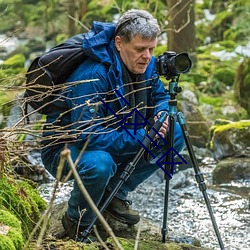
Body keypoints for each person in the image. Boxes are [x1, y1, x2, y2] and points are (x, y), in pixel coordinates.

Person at [41, 9, 185, 241]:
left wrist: (161, 114)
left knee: (175, 132)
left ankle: (115, 193)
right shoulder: (92, 75)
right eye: (140, 49)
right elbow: (87, 136)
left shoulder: (145, 64)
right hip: (66, 150)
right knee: (100, 164)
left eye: (152, 49)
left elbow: (159, 96)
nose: (147, 56)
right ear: (119, 43)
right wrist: (144, 135)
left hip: (118, 134)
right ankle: (76, 221)